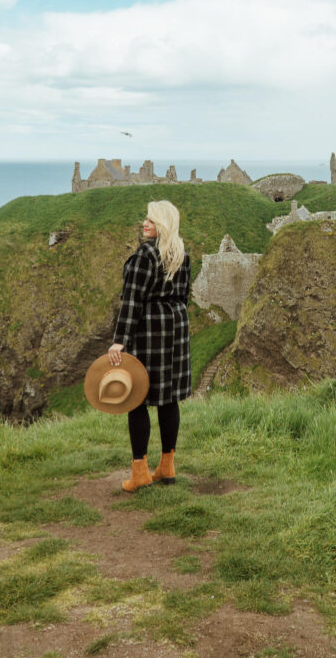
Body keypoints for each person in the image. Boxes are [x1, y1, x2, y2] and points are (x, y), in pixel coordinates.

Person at [108, 199, 191, 491]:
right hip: (177, 325)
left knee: (137, 397)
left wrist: (120, 341)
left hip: (150, 328)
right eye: (146, 219)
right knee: (169, 398)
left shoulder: (144, 256)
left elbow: (132, 300)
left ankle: (141, 473)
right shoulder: (181, 253)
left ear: (163, 224)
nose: (145, 224)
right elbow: (184, 296)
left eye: (152, 220)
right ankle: (167, 467)